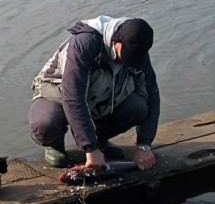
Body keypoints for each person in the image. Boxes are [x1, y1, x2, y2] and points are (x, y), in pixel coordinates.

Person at [28, 16, 160, 171]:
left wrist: (144, 145)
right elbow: (73, 97)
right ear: (115, 41)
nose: (127, 62)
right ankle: (55, 144)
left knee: (138, 107)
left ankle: (100, 139)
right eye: (126, 56)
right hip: (57, 90)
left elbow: (153, 96)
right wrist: (89, 148)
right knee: (45, 124)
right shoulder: (85, 42)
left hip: (101, 93)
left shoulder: (139, 52)